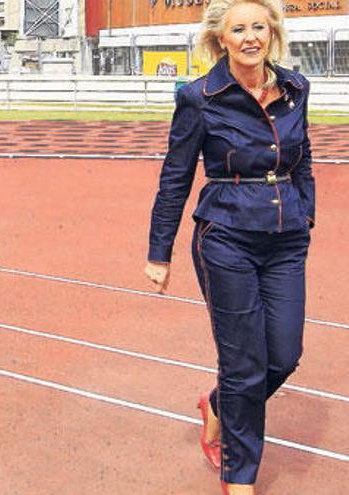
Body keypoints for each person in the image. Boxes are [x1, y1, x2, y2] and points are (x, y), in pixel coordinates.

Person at [144, 1, 313, 494]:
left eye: (258, 26)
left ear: (272, 32)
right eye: (238, 29)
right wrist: (160, 252)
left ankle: (217, 405)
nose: (250, 37)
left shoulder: (295, 89)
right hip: (225, 236)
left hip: (285, 238)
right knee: (244, 364)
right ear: (220, 38)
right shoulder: (199, 97)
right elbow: (174, 179)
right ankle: (239, 477)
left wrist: (306, 216)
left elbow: (302, 161)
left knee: (283, 355)